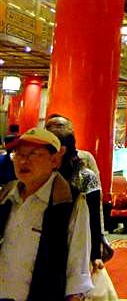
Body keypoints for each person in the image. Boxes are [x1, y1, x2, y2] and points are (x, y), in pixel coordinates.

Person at [0, 127, 92, 301]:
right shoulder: (6, 196)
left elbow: (78, 269)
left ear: (55, 160)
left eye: (34, 154)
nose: (23, 161)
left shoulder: (69, 203)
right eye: (19, 154)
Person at [48, 125, 105, 272]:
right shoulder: (44, 174)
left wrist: (95, 254)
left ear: (62, 150)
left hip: (77, 236)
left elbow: (94, 215)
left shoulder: (85, 176)